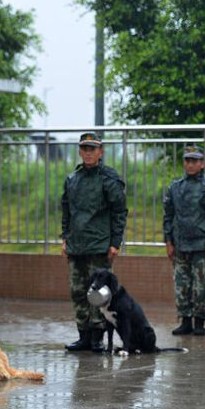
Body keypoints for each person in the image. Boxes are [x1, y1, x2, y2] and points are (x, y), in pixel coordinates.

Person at [61, 132, 127, 352]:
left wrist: (115, 243)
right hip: (76, 245)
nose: (88, 153)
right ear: (80, 152)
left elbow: (119, 212)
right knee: (77, 291)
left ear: (101, 152)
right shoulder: (72, 179)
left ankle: (98, 337)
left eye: (93, 149)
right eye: (85, 149)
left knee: (98, 293)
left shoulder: (109, 179)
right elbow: (66, 212)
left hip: (99, 246)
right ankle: (83, 336)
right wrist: (64, 238)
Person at [163, 145, 205, 336]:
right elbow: (168, 215)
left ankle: (199, 322)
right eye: (187, 160)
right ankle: (185, 321)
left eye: (194, 161)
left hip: (201, 245)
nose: (190, 164)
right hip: (180, 245)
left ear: (202, 163)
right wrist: (168, 241)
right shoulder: (175, 187)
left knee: (202, 286)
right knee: (182, 284)